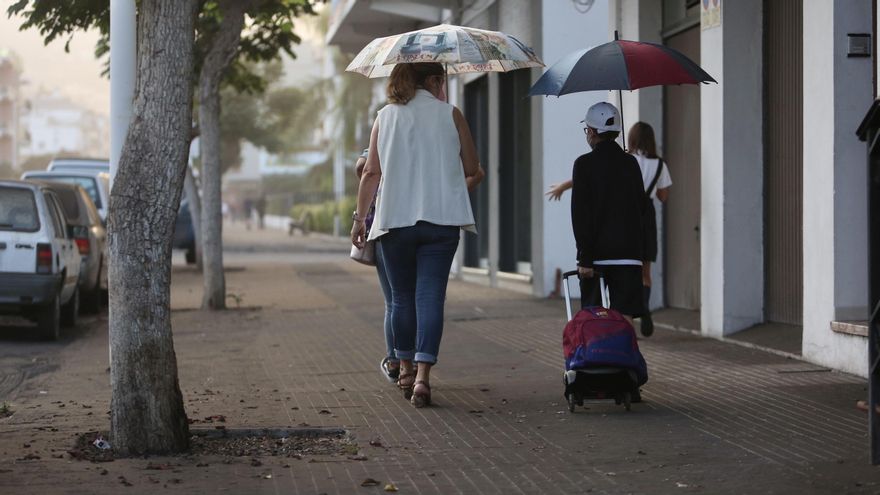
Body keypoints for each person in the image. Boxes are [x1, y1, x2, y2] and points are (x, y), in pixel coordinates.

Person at [351, 62, 485, 408]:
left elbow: (370, 173)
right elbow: (472, 169)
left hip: (395, 220)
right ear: (433, 80)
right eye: (442, 79)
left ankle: (406, 369)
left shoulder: (385, 117)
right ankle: (424, 379)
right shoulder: (451, 114)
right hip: (441, 223)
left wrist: (359, 221)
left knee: (400, 298)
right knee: (430, 298)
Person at [571, 102, 646, 327]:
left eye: (587, 130)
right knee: (625, 316)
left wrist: (584, 257)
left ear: (592, 132)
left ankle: (598, 360)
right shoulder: (631, 163)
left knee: (594, 317)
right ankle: (625, 360)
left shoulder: (584, 164)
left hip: (597, 257)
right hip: (629, 254)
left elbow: (581, 214)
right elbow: (640, 207)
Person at [354, 148, 399, 383]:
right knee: (422, 300)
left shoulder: (387, 124)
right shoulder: (437, 127)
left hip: (388, 224)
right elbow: (476, 172)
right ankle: (419, 368)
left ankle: (396, 362)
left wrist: (360, 217)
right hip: (431, 223)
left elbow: (364, 168)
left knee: (394, 301)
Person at [627, 122, 672, 337]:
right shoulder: (660, 164)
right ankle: (644, 307)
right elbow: (663, 197)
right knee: (645, 272)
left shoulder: (627, 161)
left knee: (627, 270)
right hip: (648, 218)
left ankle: (631, 320)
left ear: (632, 138)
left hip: (628, 216)